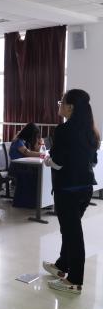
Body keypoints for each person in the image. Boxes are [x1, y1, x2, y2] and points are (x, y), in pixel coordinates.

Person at [42, 89, 99, 294]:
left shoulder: (64, 130)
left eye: (62, 102)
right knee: (70, 230)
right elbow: (93, 161)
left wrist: (47, 160)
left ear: (70, 107)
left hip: (67, 189)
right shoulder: (91, 131)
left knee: (73, 234)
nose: (59, 105)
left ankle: (74, 280)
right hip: (85, 188)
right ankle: (61, 265)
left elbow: (57, 162)